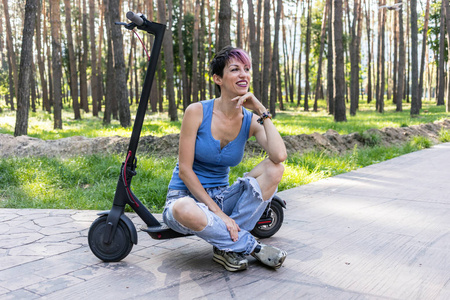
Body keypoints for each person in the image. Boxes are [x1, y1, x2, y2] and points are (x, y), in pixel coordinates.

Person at [162, 46, 288, 272]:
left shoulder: (249, 120)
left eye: (247, 69)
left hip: (221, 197)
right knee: (184, 208)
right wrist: (219, 215)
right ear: (217, 78)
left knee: (275, 169)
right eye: (235, 69)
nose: (244, 74)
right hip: (186, 199)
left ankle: (225, 245)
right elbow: (185, 171)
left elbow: (279, 156)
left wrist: (261, 110)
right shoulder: (197, 112)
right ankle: (250, 247)